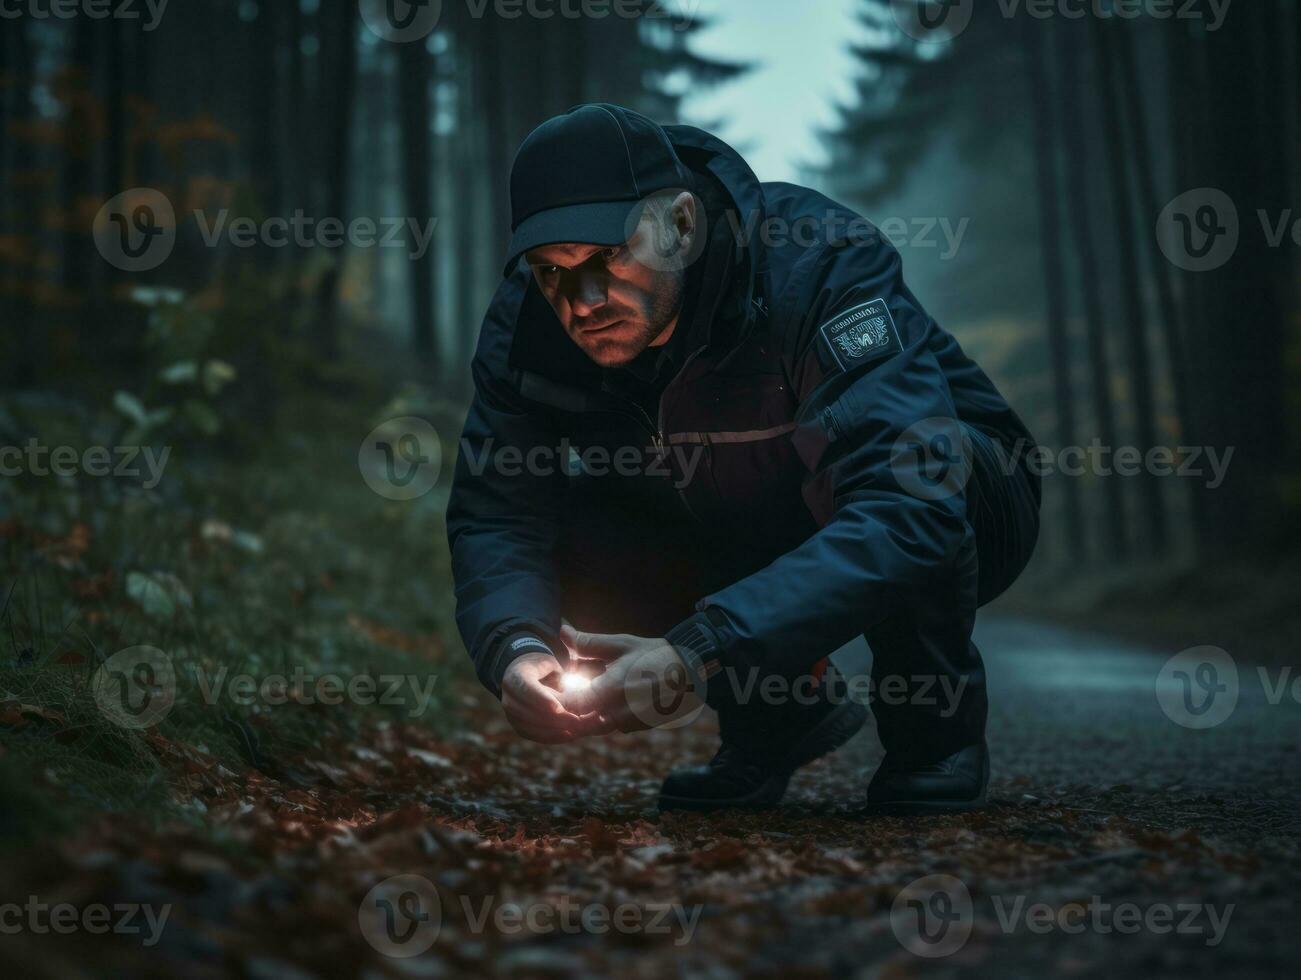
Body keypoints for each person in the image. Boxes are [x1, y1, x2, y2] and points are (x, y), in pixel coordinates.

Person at [446, 104, 1041, 813]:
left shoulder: (818, 262)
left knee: (913, 475)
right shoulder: (526, 327)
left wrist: (699, 646)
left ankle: (932, 740)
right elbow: (497, 514)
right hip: (738, 503)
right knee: (578, 528)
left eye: (607, 257)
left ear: (683, 225)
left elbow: (906, 507)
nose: (584, 302)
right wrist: (516, 649)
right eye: (552, 273)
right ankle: (780, 717)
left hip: (968, 498)